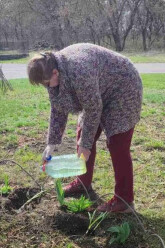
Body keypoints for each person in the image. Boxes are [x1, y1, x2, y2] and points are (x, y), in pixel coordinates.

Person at [27, 43, 143, 213]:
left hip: (123, 87)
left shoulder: (79, 71)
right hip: (99, 89)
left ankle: (124, 201)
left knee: (117, 144)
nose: (46, 87)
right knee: (83, 134)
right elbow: (58, 108)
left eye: (46, 83)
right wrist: (51, 143)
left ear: (55, 72)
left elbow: (93, 109)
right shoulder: (52, 69)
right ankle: (83, 183)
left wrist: (86, 145)